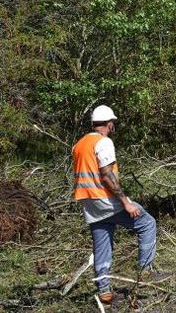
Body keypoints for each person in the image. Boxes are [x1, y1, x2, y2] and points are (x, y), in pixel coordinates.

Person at [72, 105, 159, 304]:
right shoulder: (103, 142)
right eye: (113, 124)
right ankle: (145, 273)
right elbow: (107, 175)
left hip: (89, 202)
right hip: (105, 199)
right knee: (147, 223)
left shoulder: (79, 144)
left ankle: (104, 291)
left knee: (102, 244)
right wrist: (126, 202)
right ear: (109, 124)